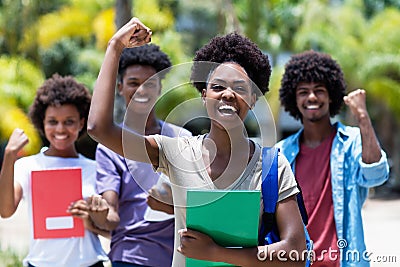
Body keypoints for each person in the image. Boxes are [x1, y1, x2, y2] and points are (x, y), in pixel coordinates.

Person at [87, 17, 306, 267]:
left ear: (254, 99)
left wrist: (215, 253)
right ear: (204, 95)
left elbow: (296, 252)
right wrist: (115, 46)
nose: (227, 94)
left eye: (240, 88)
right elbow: (98, 128)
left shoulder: (272, 165)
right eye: (218, 86)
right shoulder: (176, 152)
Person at [276, 50, 389, 267]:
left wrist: (363, 118)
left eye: (319, 90)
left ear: (331, 96)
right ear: (293, 98)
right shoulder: (282, 152)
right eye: (303, 92)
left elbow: (376, 176)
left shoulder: (353, 141)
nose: (311, 97)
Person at [87, 44, 192, 267]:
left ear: (160, 88)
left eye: (150, 84)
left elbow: (195, 202)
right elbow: (111, 216)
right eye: (134, 83)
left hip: (178, 255)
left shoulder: (182, 138)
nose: (142, 91)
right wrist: (99, 214)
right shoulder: (109, 148)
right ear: (119, 87)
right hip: (130, 255)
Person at [0, 74, 109, 267]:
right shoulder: (27, 166)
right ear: (42, 122)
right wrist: (9, 155)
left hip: (89, 263)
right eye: (52, 121)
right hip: (40, 263)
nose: (60, 129)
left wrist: (91, 219)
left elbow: (111, 226)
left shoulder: (96, 168)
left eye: (69, 121)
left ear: (81, 123)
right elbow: (6, 211)